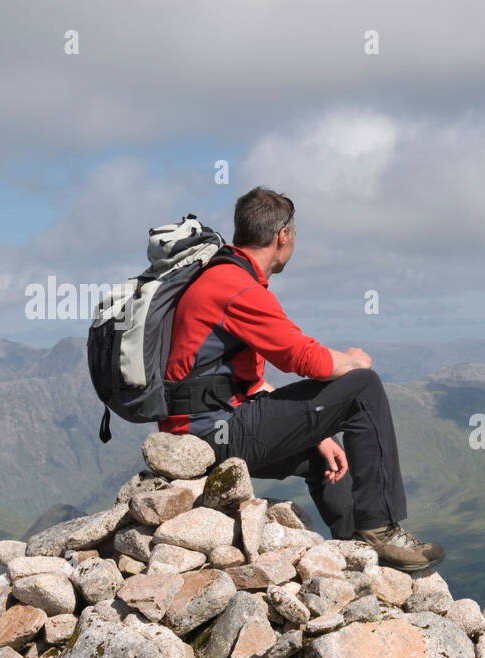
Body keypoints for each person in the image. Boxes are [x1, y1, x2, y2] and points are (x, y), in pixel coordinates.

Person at [158, 185, 444, 572]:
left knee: (322, 455)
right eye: (294, 235)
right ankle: (379, 528)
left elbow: (251, 384)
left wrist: (319, 433)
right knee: (364, 387)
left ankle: (356, 551)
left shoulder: (221, 277)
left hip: (201, 426)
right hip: (212, 432)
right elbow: (305, 358)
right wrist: (354, 361)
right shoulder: (236, 286)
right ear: (283, 236)